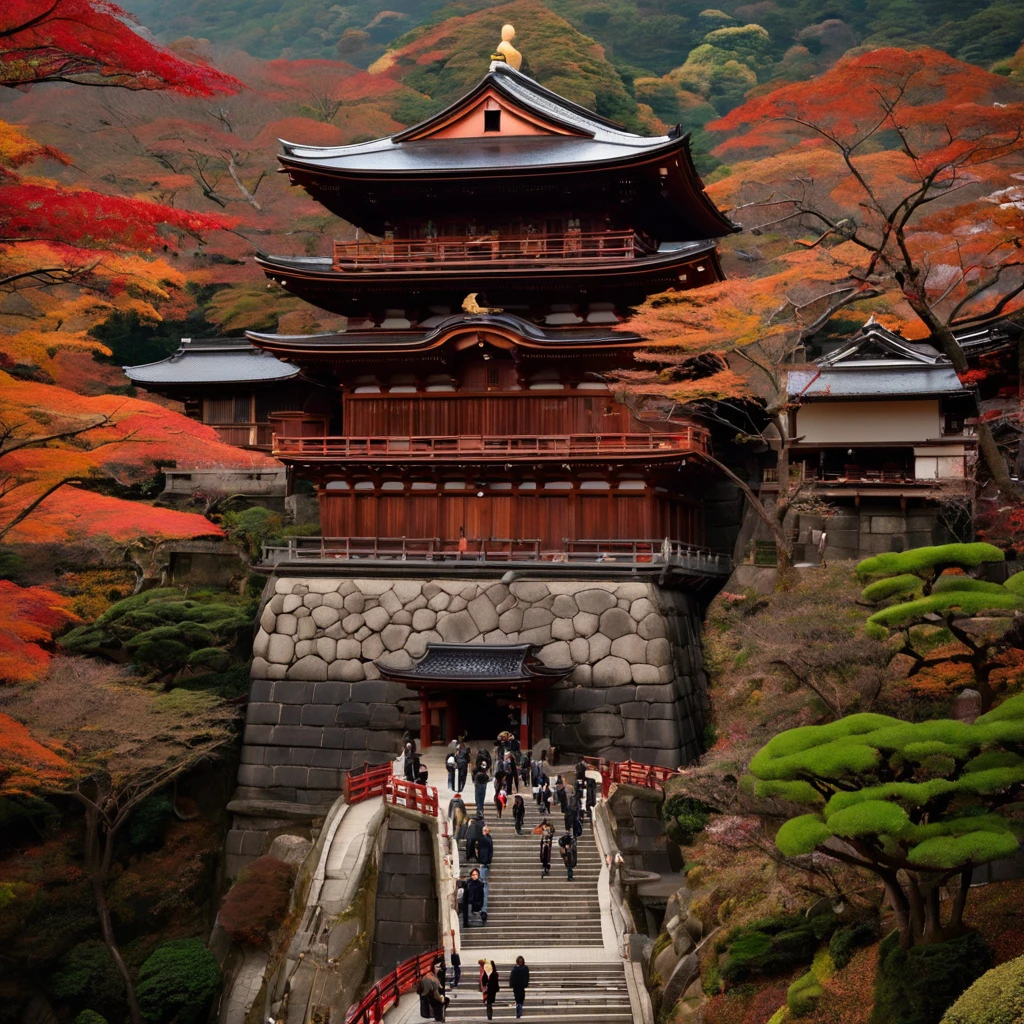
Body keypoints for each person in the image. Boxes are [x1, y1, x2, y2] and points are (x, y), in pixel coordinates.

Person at [477, 825, 493, 923]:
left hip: (485, 861)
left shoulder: (486, 839)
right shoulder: (485, 839)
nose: (487, 831)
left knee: (483, 884)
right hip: (484, 861)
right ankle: (482, 912)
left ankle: (483, 911)